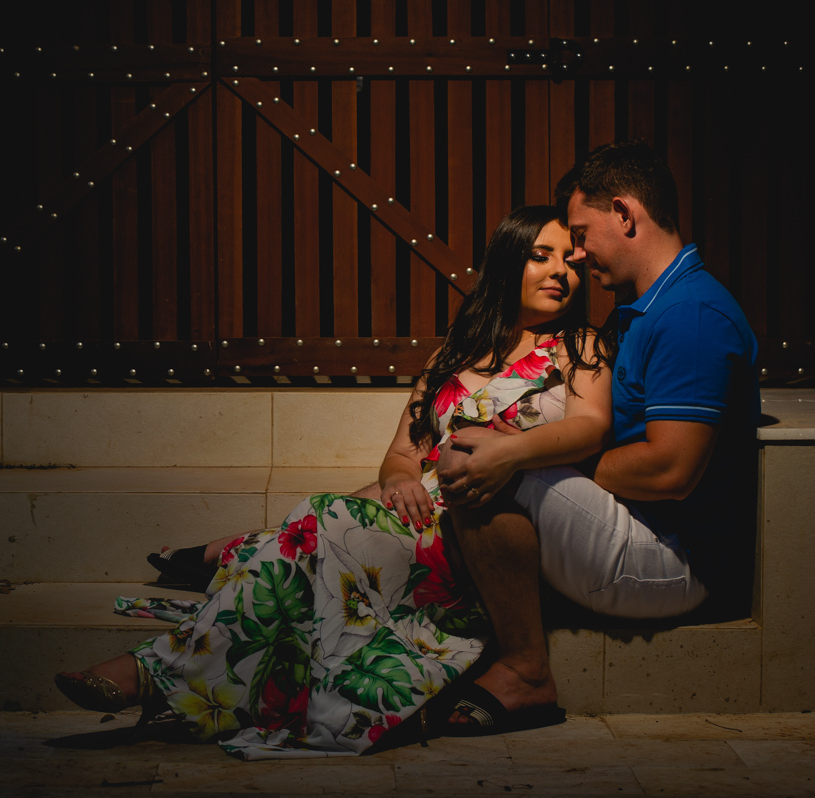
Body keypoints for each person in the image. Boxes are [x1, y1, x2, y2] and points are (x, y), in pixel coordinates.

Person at [55, 205, 614, 758]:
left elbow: (591, 426)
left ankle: (155, 668)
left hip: (489, 528)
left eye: (570, 261)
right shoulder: (456, 351)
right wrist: (399, 482)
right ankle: (162, 669)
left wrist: (512, 451)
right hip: (416, 515)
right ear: (507, 263)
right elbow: (403, 453)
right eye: (541, 256)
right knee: (316, 519)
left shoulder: (580, 346)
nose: (560, 272)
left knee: (318, 522)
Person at [433, 142, 759, 735]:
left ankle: (527, 673)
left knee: (483, 461)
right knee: (488, 452)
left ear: (625, 214)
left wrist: (529, 453)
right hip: (632, 527)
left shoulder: (690, 316)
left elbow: (671, 470)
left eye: (581, 235)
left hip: (679, 562)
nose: (578, 256)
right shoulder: (643, 308)